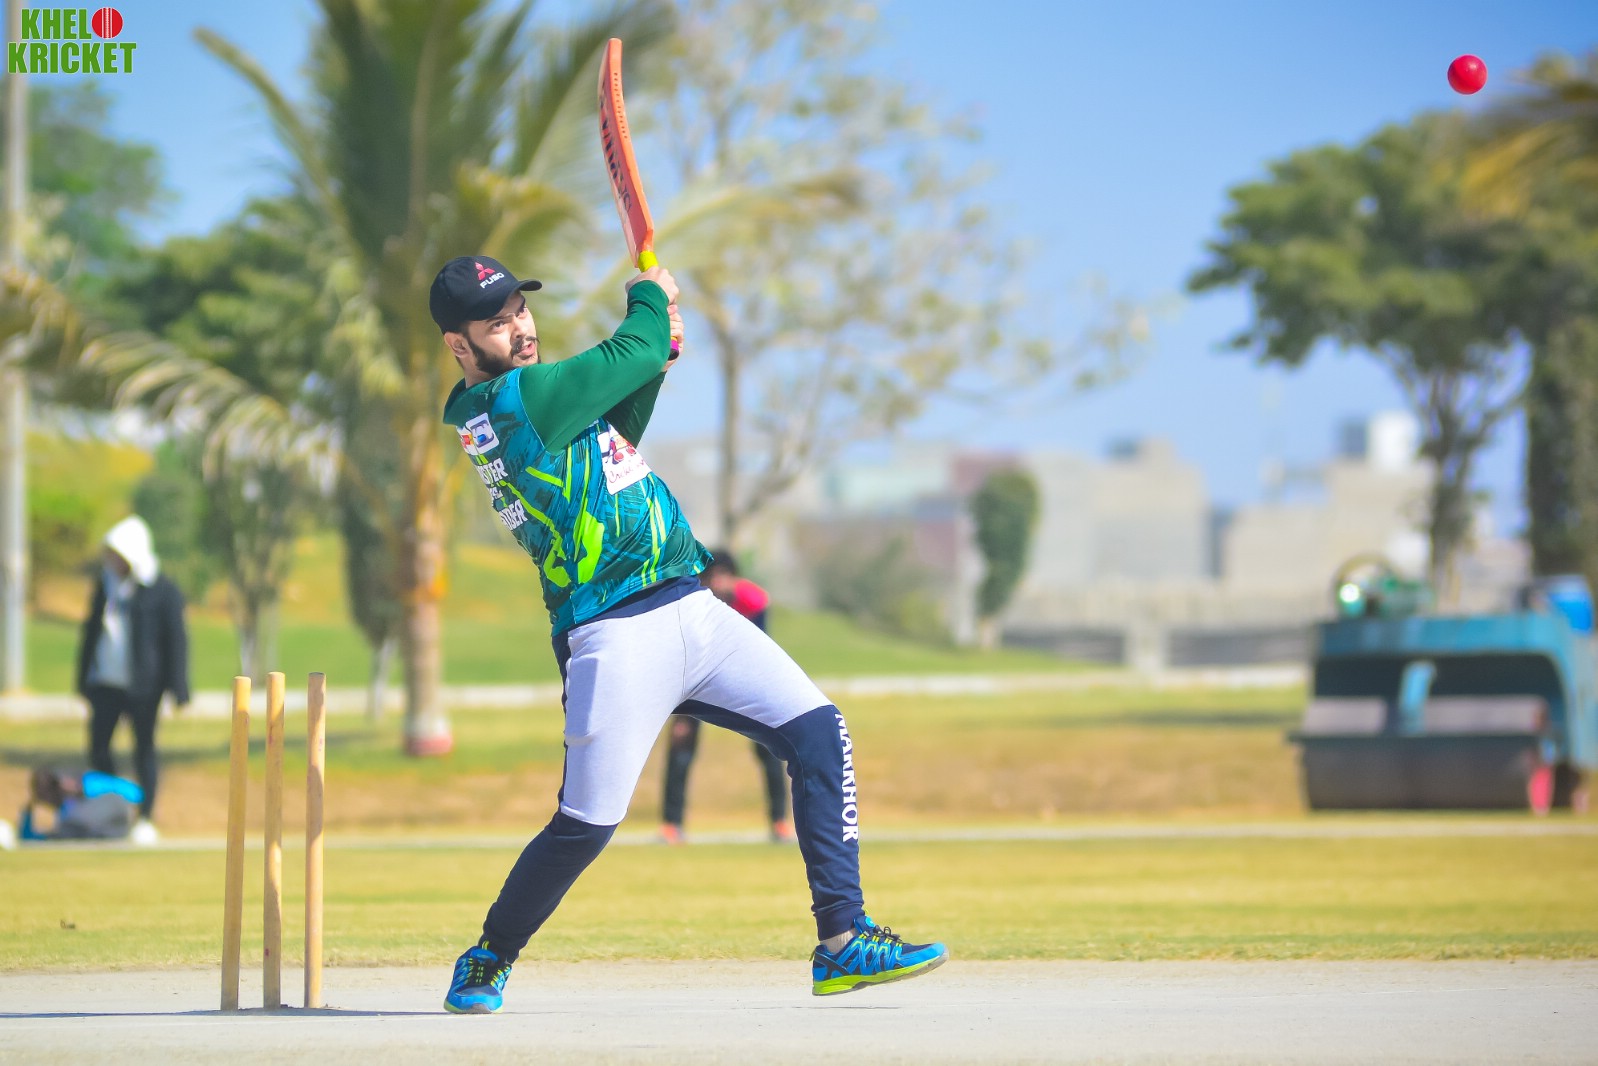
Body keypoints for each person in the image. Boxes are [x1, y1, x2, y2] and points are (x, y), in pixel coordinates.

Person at [433, 255, 947, 1014]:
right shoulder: (514, 399)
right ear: (460, 345)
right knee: (586, 825)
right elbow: (632, 350)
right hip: (614, 633)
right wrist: (650, 300)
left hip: (692, 604)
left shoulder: (536, 401)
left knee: (818, 732)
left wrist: (659, 356)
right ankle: (489, 956)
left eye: (520, 311)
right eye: (497, 323)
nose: (520, 329)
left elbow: (617, 433)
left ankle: (843, 940)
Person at [659, 548, 794, 844]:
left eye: (724, 576)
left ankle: (780, 821)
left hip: (745, 675)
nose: (718, 583)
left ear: (735, 578)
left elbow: (761, 650)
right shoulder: (692, 602)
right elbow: (684, 652)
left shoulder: (753, 601)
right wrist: (679, 708)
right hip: (698, 676)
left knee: (771, 747)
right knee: (681, 745)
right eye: (712, 577)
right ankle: (671, 824)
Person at [75, 515, 191, 845]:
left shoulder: (162, 590)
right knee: (99, 749)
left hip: (144, 687)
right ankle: (110, 811)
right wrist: (82, 679)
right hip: (105, 684)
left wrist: (179, 687)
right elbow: (90, 633)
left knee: (145, 751)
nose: (113, 561)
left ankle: (146, 817)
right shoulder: (105, 586)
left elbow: (176, 639)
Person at [17, 767, 144, 842]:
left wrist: (80, 790)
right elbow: (28, 838)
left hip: (122, 813)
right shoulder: (68, 810)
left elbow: (135, 794)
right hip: (113, 827)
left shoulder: (90, 784)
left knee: (69, 826)